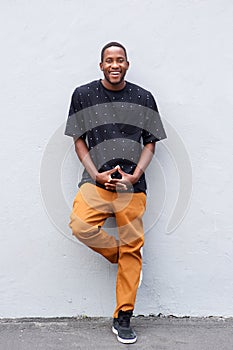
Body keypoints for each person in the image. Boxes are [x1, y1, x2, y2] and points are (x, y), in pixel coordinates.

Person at [64, 42, 167, 344]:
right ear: (101, 66)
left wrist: (136, 174)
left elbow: (150, 142)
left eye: (119, 60)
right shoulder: (83, 94)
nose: (114, 64)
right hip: (95, 183)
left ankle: (123, 315)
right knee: (80, 226)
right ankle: (124, 256)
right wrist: (95, 172)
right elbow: (78, 140)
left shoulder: (143, 97)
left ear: (127, 64)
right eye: (109, 60)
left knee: (134, 248)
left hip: (131, 187)